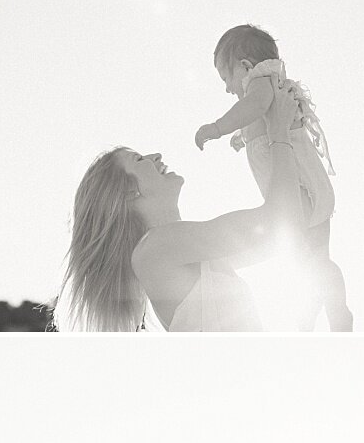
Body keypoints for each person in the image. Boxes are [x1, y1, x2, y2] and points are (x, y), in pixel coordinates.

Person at [56, 83, 304, 331]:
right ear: (128, 192)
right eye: (140, 159)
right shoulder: (154, 249)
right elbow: (281, 224)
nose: (157, 156)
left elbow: (286, 231)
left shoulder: (186, 253)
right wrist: (278, 131)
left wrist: (266, 132)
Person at [195, 23, 352, 331]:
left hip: (298, 191)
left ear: (244, 66)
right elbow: (259, 115)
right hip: (311, 185)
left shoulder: (260, 79)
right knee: (316, 260)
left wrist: (217, 127)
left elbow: (254, 105)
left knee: (302, 255)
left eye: (226, 78)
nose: (227, 88)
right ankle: (334, 312)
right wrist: (244, 135)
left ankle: (313, 317)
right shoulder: (272, 83)